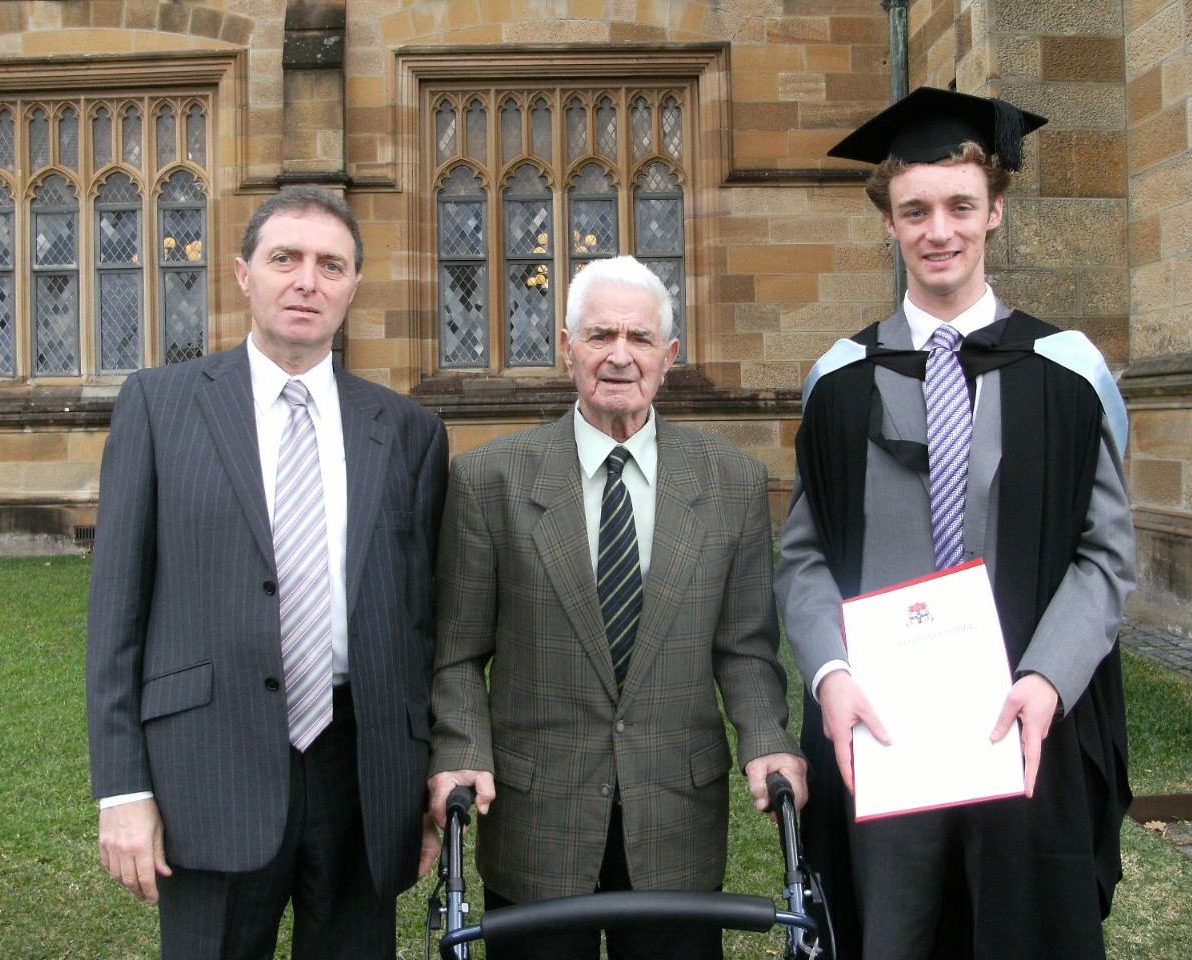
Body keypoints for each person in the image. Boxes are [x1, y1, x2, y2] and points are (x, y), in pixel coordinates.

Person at [775, 87, 1137, 960]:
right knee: (886, 933)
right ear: (891, 224)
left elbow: (1105, 554)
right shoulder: (840, 379)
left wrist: (1047, 680)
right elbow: (803, 558)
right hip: (883, 736)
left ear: (995, 211)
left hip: (1020, 727)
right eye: (916, 211)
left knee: (1019, 931)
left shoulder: (1070, 373)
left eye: (959, 206)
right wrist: (829, 675)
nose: (939, 230)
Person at [86, 185, 448, 959]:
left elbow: (422, 625)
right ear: (244, 274)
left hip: (362, 769)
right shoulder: (159, 406)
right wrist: (122, 790)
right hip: (206, 768)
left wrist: (420, 784)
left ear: (354, 285)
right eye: (285, 258)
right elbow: (116, 615)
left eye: (330, 264)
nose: (306, 281)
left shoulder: (410, 432)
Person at [427, 255, 806, 960]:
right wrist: (461, 748)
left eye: (638, 339)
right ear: (567, 348)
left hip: (676, 817)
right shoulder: (490, 481)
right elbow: (456, 653)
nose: (619, 356)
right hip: (537, 816)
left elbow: (747, 649)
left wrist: (767, 737)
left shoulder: (732, 481)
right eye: (600, 336)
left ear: (668, 357)